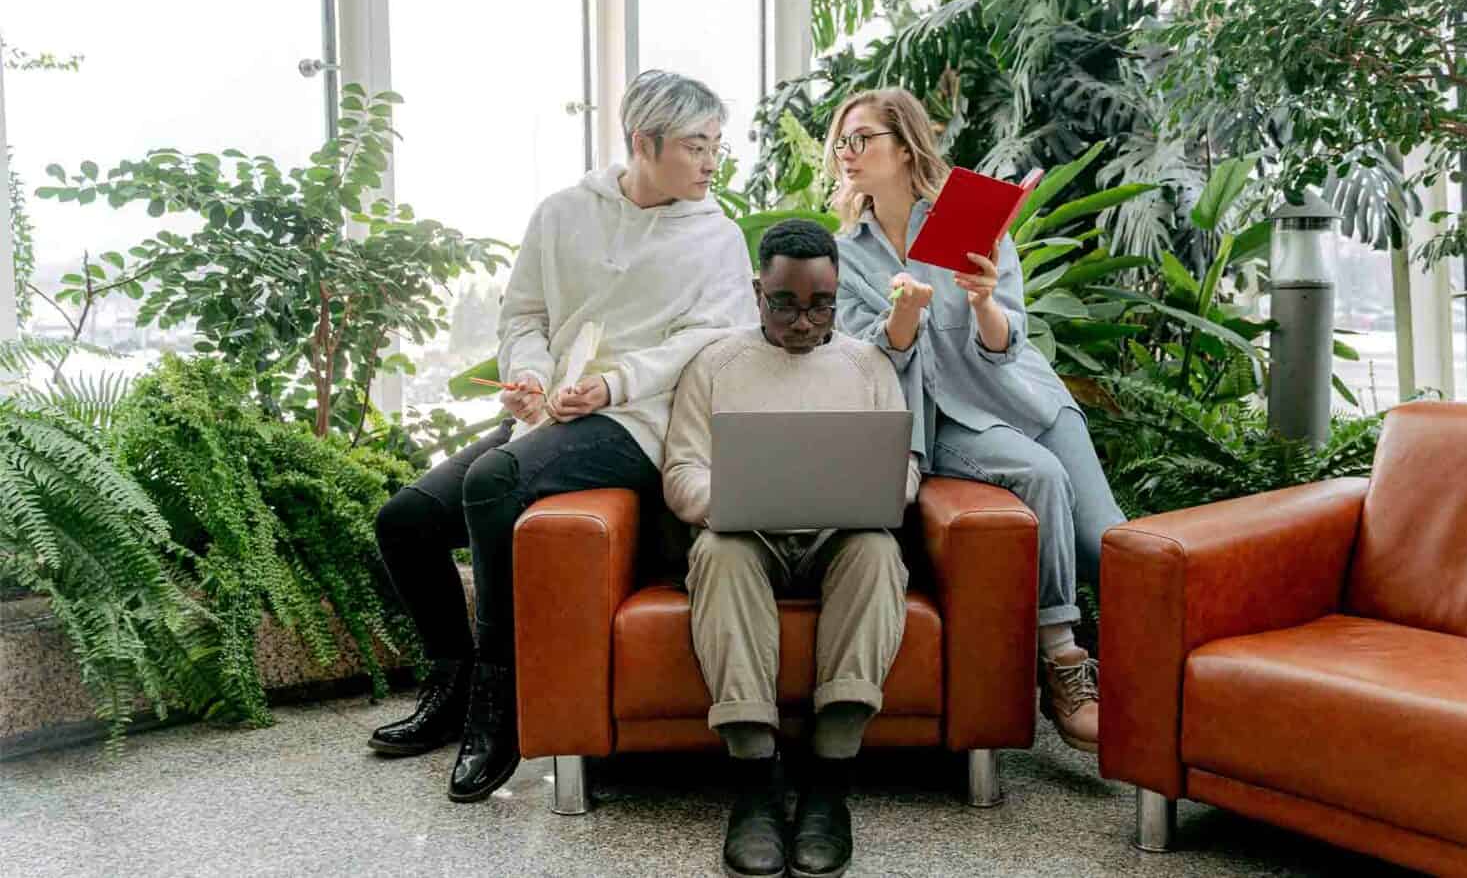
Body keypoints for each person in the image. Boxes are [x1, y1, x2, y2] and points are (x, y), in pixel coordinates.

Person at [367, 70, 757, 803]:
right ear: (642, 143)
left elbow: (712, 339)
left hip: (641, 423)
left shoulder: (717, 237)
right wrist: (532, 379)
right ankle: (450, 689)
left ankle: (503, 701)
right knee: (406, 520)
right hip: (550, 416)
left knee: (495, 482)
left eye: (716, 146)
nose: (712, 162)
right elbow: (524, 317)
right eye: (696, 146)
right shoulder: (562, 213)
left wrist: (614, 385)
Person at [827, 88, 1125, 754]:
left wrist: (985, 300)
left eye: (862, 139)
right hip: (947, 418)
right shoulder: (845, 256)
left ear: (904, 148)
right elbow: (867, 360)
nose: (847, 155)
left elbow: (1005, 341)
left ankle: (1160, 686)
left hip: (1025, 398)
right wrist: (901, 318)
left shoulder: (967, 219)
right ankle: (1063, 663)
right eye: (841, 143)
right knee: (1039, 477)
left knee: (1108, 541)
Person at [664, 219, 919, 878]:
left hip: (838, 537)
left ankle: (829, 777)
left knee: (875, 551)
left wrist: (878, 489)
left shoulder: (866, 365)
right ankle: (753, 778)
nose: (804, 322)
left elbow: (906, 468)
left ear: (837, 295)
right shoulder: (715, 365)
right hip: (746, 537)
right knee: (719, 553)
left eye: (820, 305)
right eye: (785, 304)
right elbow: (682, 471)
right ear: (757, 292)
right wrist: (731, 499)